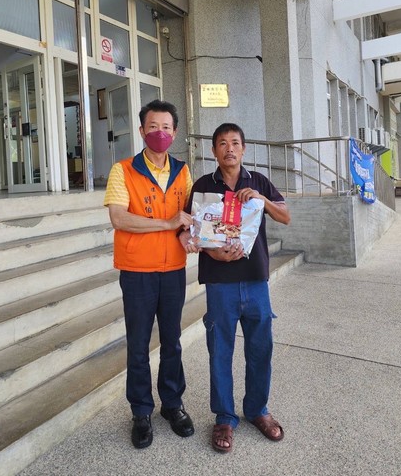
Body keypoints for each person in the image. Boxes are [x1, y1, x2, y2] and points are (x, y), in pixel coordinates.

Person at [180, 123, 290, 453]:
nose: (229, 148)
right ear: (213, 151)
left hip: (255, 281)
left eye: (235, 143)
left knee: (260, 349)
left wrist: (261, 199)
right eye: (222, 143)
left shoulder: (258, 182)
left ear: (243, 149)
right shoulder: (202, 186)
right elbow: (188, 229)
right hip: (220, 283)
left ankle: (257, 410)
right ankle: (225, 417)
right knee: (220, 351)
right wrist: (206, 249)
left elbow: (285, 216)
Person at [104, 99, 194, 449]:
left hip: (173, 270)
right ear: (142, 131)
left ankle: (172, 404)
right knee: (138, 345)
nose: (160, 133)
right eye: (153, 127)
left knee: (172, 340)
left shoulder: (183, 172)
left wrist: (188, 233)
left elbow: (189, 216)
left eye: (166, 127)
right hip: (137, 271)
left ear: (175, 132)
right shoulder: (123, 170)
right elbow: (119, 217)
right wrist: (167, 223)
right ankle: (141, 411)